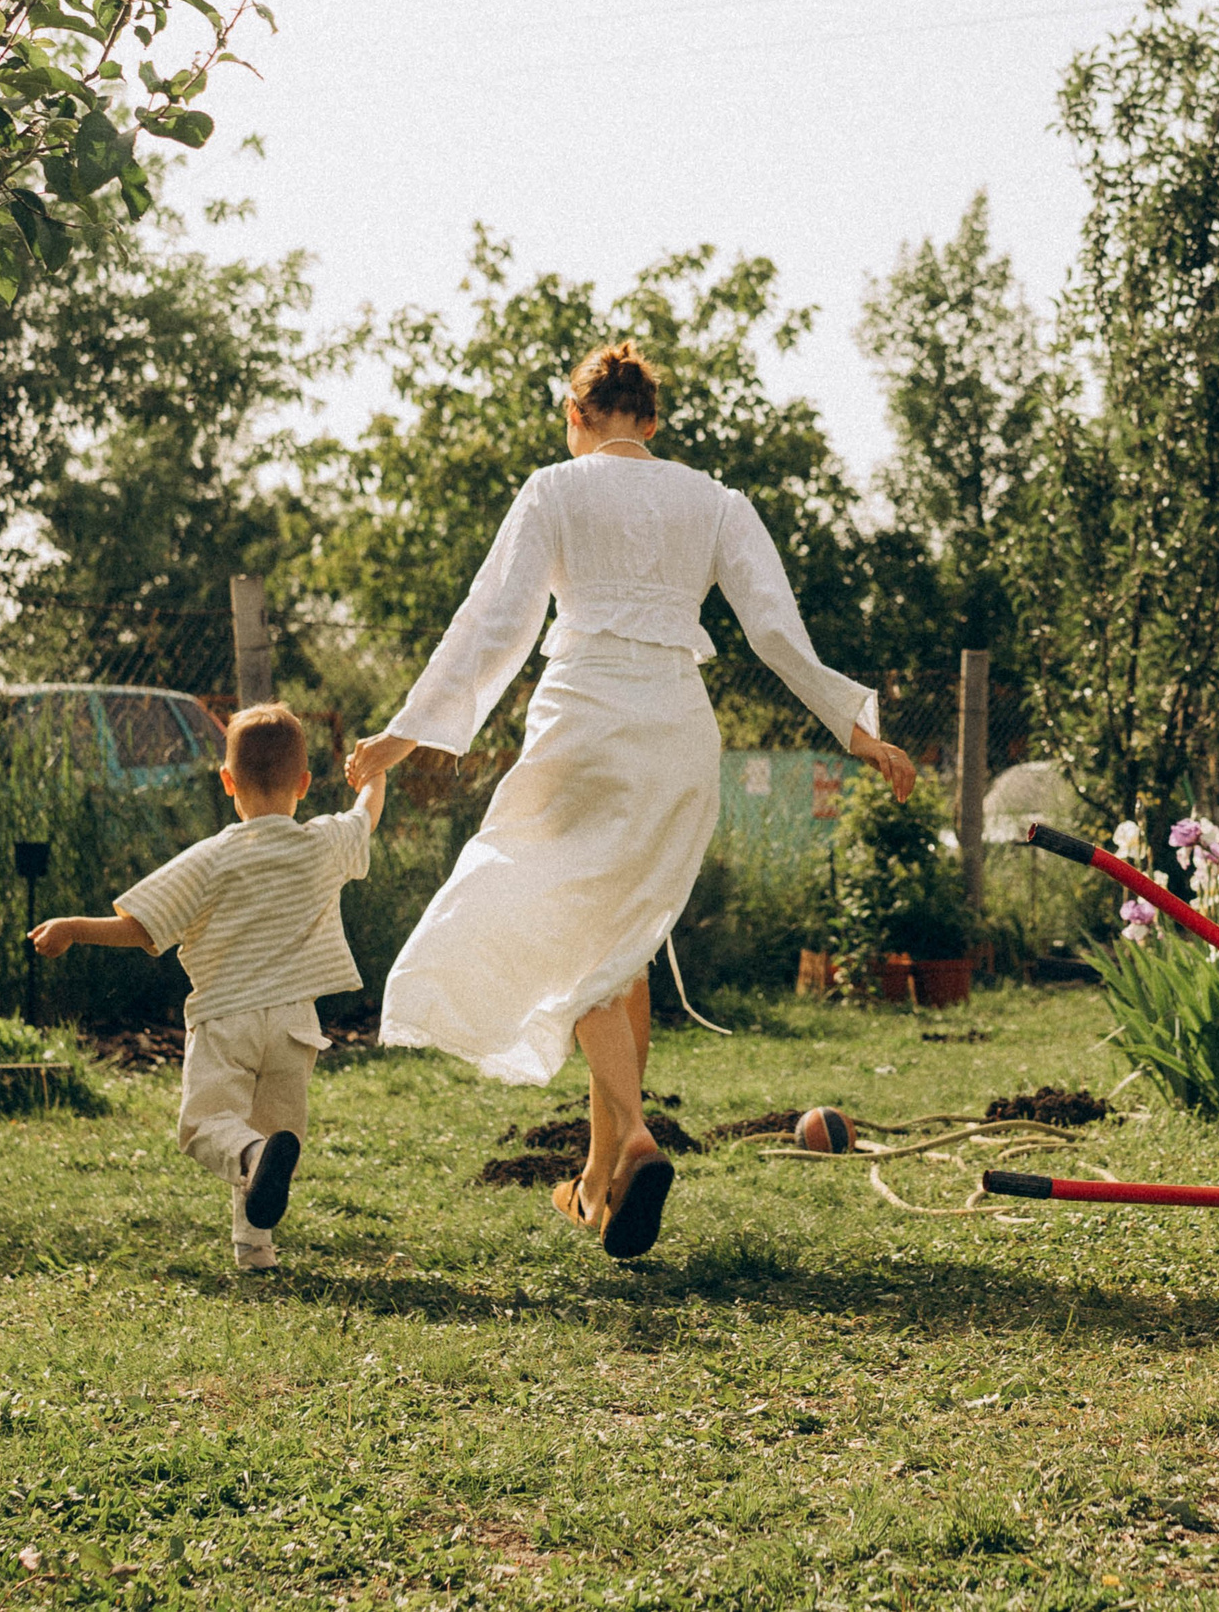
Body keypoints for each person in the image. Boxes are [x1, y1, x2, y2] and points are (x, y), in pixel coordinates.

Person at [344, 339, 915, 1261]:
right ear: (652, 422)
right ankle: (603, 1179)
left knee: (574, 936)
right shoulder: (715, 501)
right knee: (622, 945)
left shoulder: (555, 490)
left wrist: (402, 736)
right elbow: (774, 626)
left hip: (586, 724)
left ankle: (636, 1138)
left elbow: (493, 625)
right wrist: (857, 730)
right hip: (678, 736)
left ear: (576, 419)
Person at [31, 703, 386, 1271]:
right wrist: (374, 771)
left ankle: (250, 1158)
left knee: (207, 1128)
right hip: (297, 1026)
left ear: (227, 782)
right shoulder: (323, 843)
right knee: (274, 1135)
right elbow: (366, 813)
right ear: (303, 783)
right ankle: (256, 1250)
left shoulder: (213, 857)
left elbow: (142, 926)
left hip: (227, 1019)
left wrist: (74, 928)